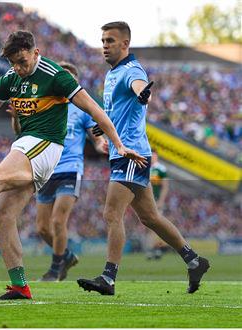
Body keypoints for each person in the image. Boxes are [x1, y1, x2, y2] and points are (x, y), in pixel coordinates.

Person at [0, 30, 145, 300]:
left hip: (46, 145)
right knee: (5, 214)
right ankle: (20, 286)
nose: (18, 68)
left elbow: (95, 110)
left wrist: (118, 144)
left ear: (36, 53)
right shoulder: (10, 78)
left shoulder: (56, 76)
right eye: (13, 63)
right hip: (26, 144)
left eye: (22, 61)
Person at [77, 22, 209, 295]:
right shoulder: (111, 74)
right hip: (124, 153)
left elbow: (140, 89)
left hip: (132, 154)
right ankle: (194, 261)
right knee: (150, 217)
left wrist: (143, 94)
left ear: (125, 44)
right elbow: (119, 112)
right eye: (102, 40)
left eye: (110, 40)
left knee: (112, 213)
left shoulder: (132, 70)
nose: (104, 45)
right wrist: (104, 127)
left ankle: (108, 278)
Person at [7, 62, 108, 281]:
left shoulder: (81, 109)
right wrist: (16, 117)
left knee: (57, 221)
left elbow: (96, 137)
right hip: (46, 169)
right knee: (43, 228)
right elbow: (21, 133)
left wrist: (101, 145)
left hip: (71, 168)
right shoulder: (43, 104)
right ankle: (67, 256)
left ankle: (55, 269)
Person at [146, 150, 170, 260]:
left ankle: (155, 249)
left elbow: (165, 186)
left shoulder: (160, 169)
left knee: (156, 225)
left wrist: (161, 200)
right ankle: (154, 250)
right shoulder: (145, 167)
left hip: (156, 200)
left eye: (154, 156)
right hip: (146, 200)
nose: (152, 158)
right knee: (149, 226)